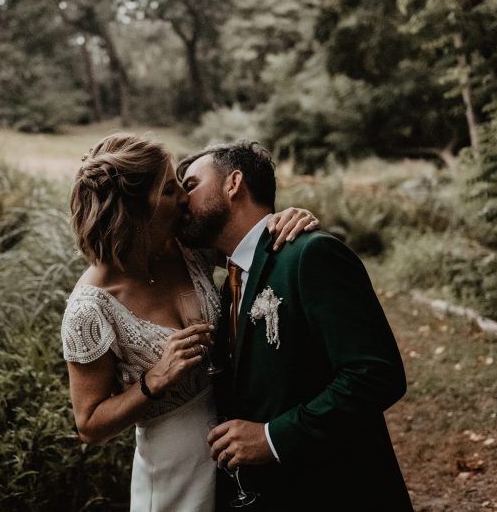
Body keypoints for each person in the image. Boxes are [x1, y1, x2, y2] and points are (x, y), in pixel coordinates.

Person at [60, 133, 319, 512]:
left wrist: (286, 218)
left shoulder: (186, 249)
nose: (184, 197)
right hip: (172, 466)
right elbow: (89, 424)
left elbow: (250, 243)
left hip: (236, 445)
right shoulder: (89, 309)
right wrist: (155, 379)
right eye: (169, 189)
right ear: (135, 207)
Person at [177, 140, 413, 511]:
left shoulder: (311, 254)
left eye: (190, 185)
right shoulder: (230, 282)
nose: (179, 200)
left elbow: (375, 375)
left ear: (233, 183)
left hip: (339, 490)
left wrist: (273, 437)